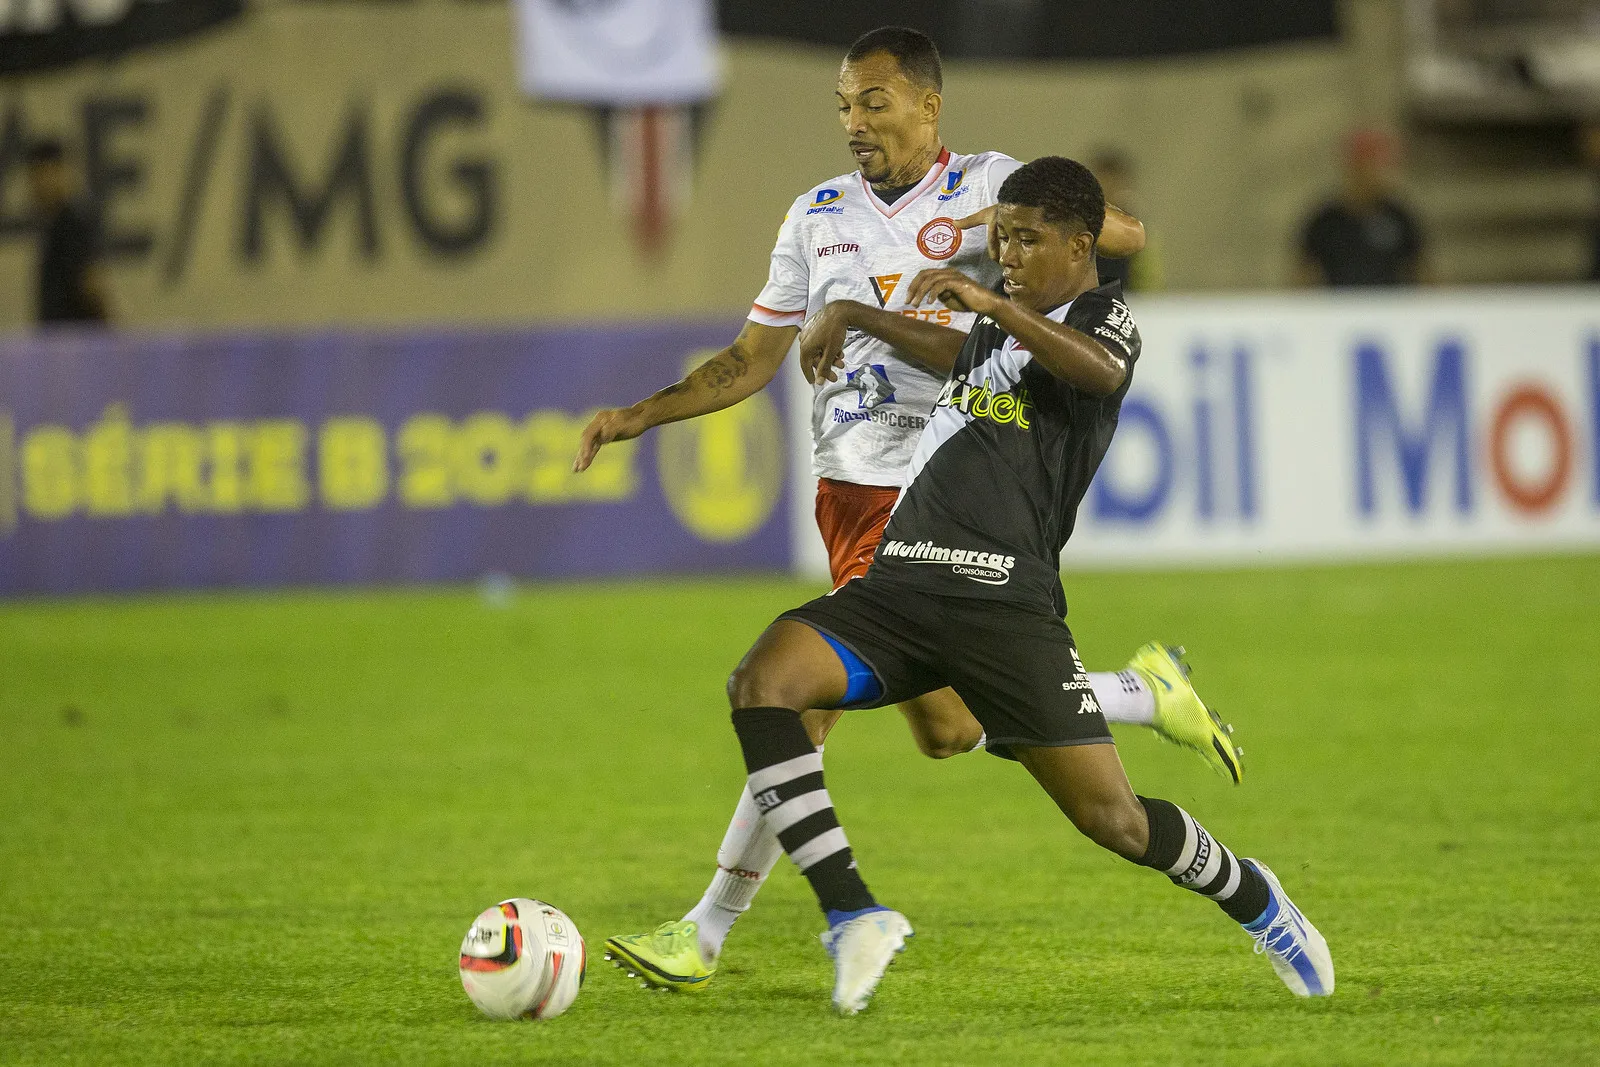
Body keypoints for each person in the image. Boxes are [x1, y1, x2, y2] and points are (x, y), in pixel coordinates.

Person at [577, 27, 1240, 990]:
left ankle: (707, 928)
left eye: (874, 101)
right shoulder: (815, 217)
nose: (855, 122)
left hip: (939, 491)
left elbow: (1109, 236)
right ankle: (1141, 693)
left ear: (929, 105)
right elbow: (750, 361)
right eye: (844, 105)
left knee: (791, 703)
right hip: (844, 488)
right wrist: (643, 414)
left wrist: (1036, 239)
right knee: (950, 729)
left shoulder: (987, 189)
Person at [717, 156, 1333, 1015]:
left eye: (1028, 239)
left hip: (1005, 605)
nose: (1007, 254)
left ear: (1082, 243)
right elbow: (959, 349)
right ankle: (854, 913)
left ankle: (1254, 897)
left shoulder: (1101, 318)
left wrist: (997, 307)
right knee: (763, 681)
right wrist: (858, 313)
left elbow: (1099, 373)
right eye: (1001, 238)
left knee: (1115, 822)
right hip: (902, 585)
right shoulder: (1003, 324)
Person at [1297, 129, 1428, 288]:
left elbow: (1423, 272)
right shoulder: (1325, 222)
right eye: (1371, 166)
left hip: (1389, 309)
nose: (1380, 174)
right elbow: (1302, 277)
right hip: (1338, 309)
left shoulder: (1399, 217)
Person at [25, 139, 110, 327]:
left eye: (48, 173)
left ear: (62, 172)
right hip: (57, 344)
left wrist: (114, 340)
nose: (41, 183)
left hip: (74, 345)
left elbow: (92, 283)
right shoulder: (51, 225)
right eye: (36, 175)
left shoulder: (73, 222)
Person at [1089, 148, 1162, 292]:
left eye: (1112, 181)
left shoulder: (1135, 225)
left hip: (1128, 301)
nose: (1107, 187)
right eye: (1102, 180)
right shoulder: (1080, 223)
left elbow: (1146, 272)